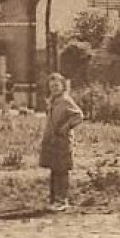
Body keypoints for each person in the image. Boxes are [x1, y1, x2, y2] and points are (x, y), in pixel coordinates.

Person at [38, 73, 84, 211]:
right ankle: (53, 199)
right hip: (52, 140)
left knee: (62, 170)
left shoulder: (66, 100)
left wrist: (65, 127)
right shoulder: (52, 101)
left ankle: (62, 200)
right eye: (51, 86)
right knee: (54, 169)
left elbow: (78, 116)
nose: (54, 89)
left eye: (57, 86)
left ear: (63, 86)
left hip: (62, 140)